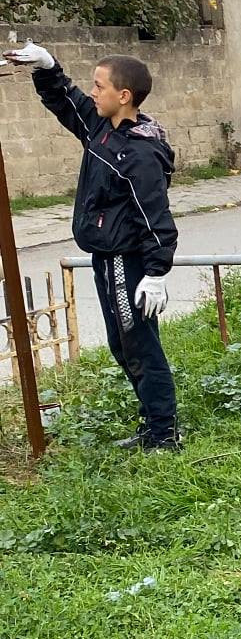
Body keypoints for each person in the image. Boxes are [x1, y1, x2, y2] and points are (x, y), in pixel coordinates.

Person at [5, 40, 180, 449]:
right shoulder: (103, 129)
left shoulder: (138, 152)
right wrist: (46, 66)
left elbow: (155, 216)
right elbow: (68, 103)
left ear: (124, 96)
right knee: (123, 344)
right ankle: (153, 425)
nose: (93, 92)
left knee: (139, 344)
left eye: (99, 86)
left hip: (127, 262)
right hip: (105, 258)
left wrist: (155, 273)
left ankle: (164, 435)